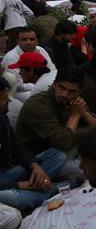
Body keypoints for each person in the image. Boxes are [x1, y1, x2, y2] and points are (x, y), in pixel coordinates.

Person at [0, 76, 66, 215]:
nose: (8, 101)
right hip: (5, 183)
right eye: (2, 99)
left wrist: (35, 167)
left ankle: (39, 185)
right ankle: (51, 190)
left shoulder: (2, 118)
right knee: (10, 197)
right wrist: (20, 185)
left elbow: (18, 148)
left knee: (57, 155)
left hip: (12, 172)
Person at [17, 66, 96, 158]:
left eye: (71, 91)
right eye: (62, 88)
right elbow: (63, 143)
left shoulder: (75, 102)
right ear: (54, 84)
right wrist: (75, 115)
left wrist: (84, 113)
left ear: (79, 91)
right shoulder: (37, 106)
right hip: (40, 157)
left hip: (70, 149)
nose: (64, 94)